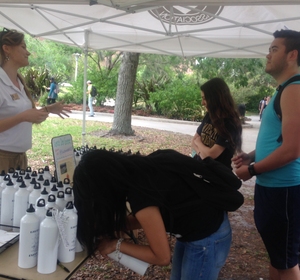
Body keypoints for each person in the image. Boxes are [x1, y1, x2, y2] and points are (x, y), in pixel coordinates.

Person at [73, 148, 244, 280]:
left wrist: (115, 245)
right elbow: (148, 219)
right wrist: (114, 226)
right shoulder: (143, 169)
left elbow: (161, 257)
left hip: (208, 238)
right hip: (197, 231)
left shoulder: (139, 194)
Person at [232, 29, 300, 280]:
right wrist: (252, 155)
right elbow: (277, 140)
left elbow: (292, 150)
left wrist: (250, 170)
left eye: (274, 49)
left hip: (284, 191)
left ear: (292, 54)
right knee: (277, 256)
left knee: (287, 262)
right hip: (272, 189)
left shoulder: (295, 89)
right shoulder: (283, 89)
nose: (268, 54)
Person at [190, 77, 242, 277]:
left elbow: (211, 155)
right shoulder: (209, 116)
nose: (203, 102)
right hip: (199, 171)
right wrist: (202, 149)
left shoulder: (229, 122)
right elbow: (194, 140)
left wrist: (201, 148)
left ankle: (211, 251)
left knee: (214, 217)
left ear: (215, 97)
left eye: (205, 98)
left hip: (216, 179)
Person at [0, 28, 71, 172]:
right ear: (7, 49)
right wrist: (23, 117)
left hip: (19, 158)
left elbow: (21, 114)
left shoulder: (19, 82)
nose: (28, 52)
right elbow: (22, 116)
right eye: (23, 47)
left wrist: (47, 110)